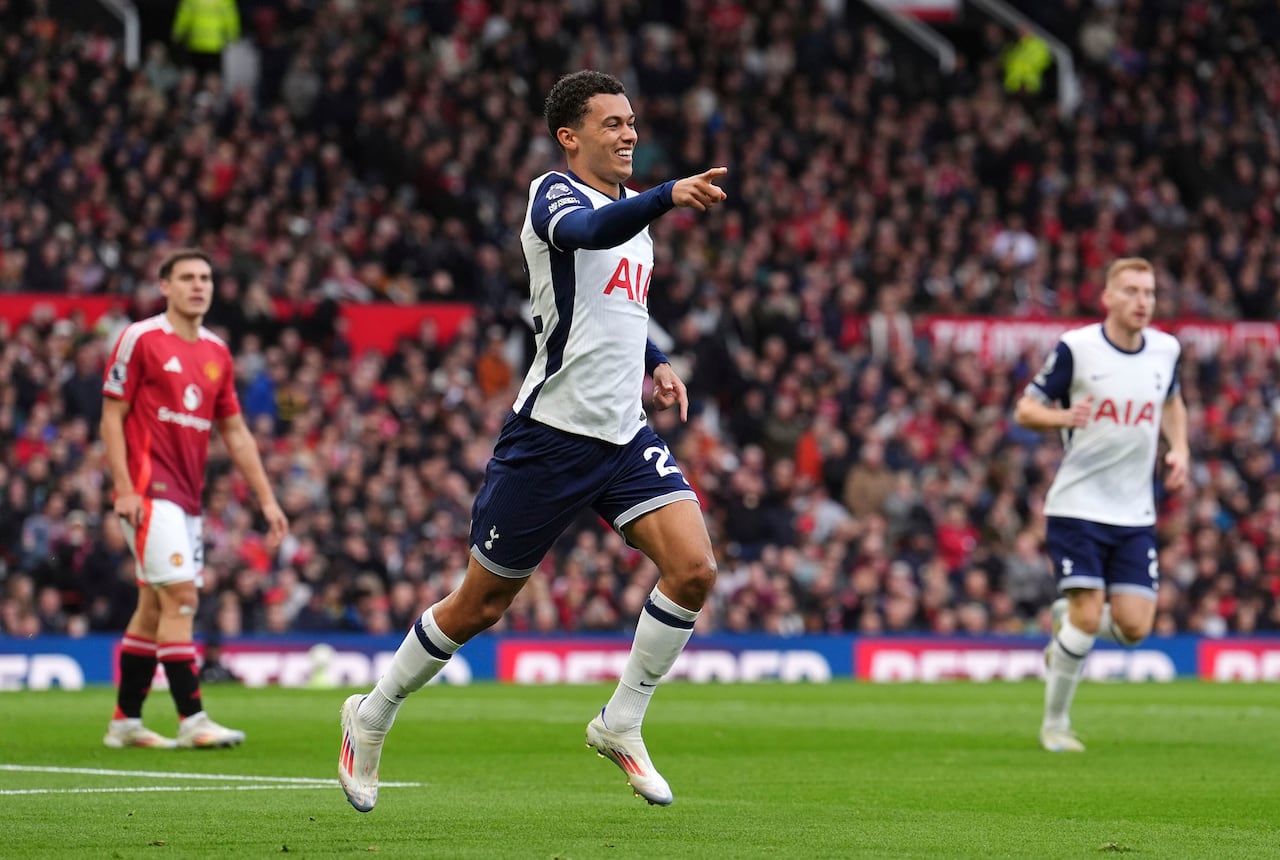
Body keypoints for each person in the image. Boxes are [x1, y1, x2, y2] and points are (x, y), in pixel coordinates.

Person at [338, 70, 728, 811]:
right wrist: (667, 195)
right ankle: (373, 712)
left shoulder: (631, 213)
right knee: (480, 606)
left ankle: (621, 722)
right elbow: (585, 238)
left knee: (695, 568)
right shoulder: (555, 195)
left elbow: (611, 309)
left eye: (633, 122)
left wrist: (659, 363)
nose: (629, 135)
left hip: (622, 433)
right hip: (551, 437)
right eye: (612, 124)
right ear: (569, 137)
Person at [101, 248, 288, 749]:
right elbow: (112, 415)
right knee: (182, 597)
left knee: (152, 606)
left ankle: (125, 723)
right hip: (147, 491)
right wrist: (123, 488)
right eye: (186, 277)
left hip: (187, 500)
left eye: (205, 277)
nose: (198, 285)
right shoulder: (141, 339)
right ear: (165, 285)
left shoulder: (217, 353)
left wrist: (267, 501)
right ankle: (192, 719)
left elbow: (237, 433)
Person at [1014, 257, 1189, 752]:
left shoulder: (1166, 350)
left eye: (1150, 292)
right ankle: (1055, 725)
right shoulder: (1078, 347)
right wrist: (1065, 415)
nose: (1142, 301)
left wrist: (1180, 448)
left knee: (1135, 627)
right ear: (1107, 298)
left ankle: (1065, 627)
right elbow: (1025, 407)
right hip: (1078, 505)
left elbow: (1173, 401)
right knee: (1089, 615)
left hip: (1135, 512)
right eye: (1131, 291)